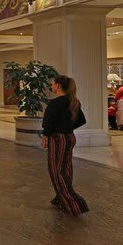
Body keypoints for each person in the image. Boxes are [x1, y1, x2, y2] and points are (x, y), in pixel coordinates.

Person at [41, 75, 89, 217]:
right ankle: (60, 199)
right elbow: (81, 120)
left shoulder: (55, 103)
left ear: (58, 86)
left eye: (53, 84)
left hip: (57, 139)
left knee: (56, 171)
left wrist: (44, 137)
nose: (51, 86)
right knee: (65, 168)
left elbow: (48, 123)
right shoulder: (73, 101)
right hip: (69, 137)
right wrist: (68, 127)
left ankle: (72, 203)